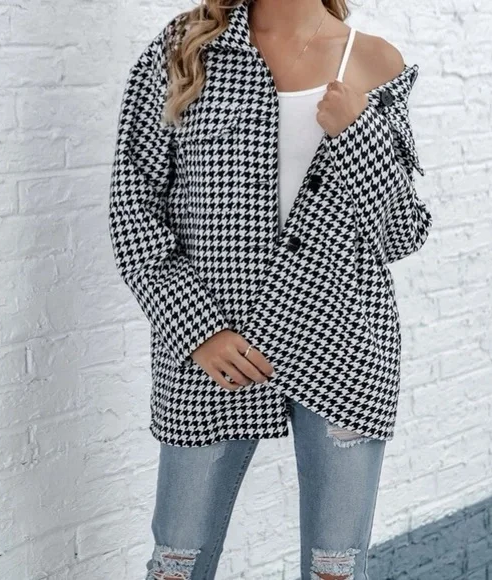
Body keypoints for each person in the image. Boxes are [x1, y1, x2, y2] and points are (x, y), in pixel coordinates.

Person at [108, 0, 433, 578]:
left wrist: (360, 134)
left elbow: (401, 232)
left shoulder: (374, 60)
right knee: (176, 563)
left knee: (336, 569)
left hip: (343, 346)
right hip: (215, 351)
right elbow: (133, 209)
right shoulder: (186, 48)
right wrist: (195, 328)